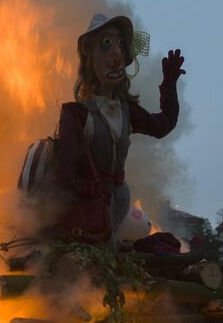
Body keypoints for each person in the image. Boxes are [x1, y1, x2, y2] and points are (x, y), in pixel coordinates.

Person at [52, 13, 183, 243]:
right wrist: (92, 191)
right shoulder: (76, 115)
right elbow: (64, 176)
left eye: (120, 45)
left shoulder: (127, 111)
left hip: (118, 204)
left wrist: (169, 85)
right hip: (86, 213)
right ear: (89, 55)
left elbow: (163, 125)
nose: (117, 55)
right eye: (106, 44)